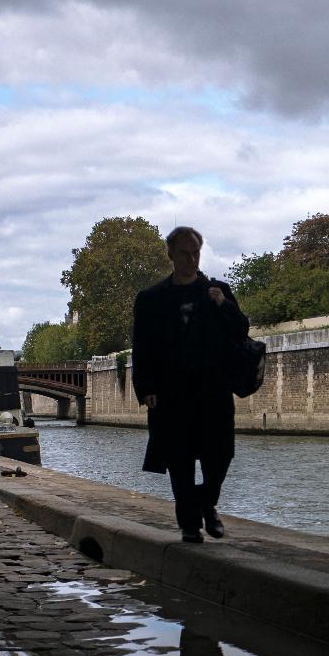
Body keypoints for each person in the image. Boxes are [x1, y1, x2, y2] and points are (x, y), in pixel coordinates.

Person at [130, 225, 249, 544]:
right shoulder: (151, 299)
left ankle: (206, 503)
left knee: (220, 456)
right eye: (184, 253)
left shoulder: (217, 290)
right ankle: (190, 526)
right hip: (171, 394)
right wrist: (146, 388)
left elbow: (241, 330)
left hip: (213, 391)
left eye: (195, 253)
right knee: (179, 461)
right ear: (171, 255)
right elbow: (141, 348)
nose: (191, 259)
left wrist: (223, 303)